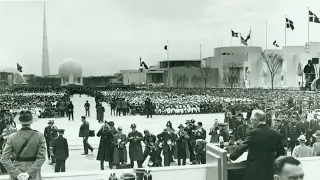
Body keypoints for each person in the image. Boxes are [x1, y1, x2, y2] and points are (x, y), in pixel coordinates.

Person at [230, 109, 286, 180]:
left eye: (251, 120)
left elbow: (242, 147)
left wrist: (231, 157)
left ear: (256, 120)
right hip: (270, 171)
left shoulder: (253, 133)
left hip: (255, 172)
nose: (251, 122)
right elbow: (281, 153)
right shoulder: (276, 133)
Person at [0, 110, 46, 180]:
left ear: (20, 122)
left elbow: (4, 159)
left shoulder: (11, 137)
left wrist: (17, 174)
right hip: (34, 175)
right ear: (31, 121)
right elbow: (41, 158)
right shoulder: (39, 136)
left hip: (17, 173)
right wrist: (28, 173)